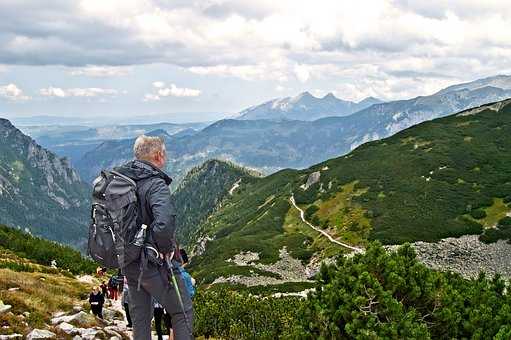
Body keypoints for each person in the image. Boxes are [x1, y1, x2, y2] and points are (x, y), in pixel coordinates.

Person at [116, 135, 193, 340]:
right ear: (158, 155)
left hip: (129, 262)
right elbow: (165, 223)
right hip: (153, 264)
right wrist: (166, 249)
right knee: (181, 312)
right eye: (164, 153)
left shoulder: (122, 180)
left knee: (140, 317)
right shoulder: (155, 184)